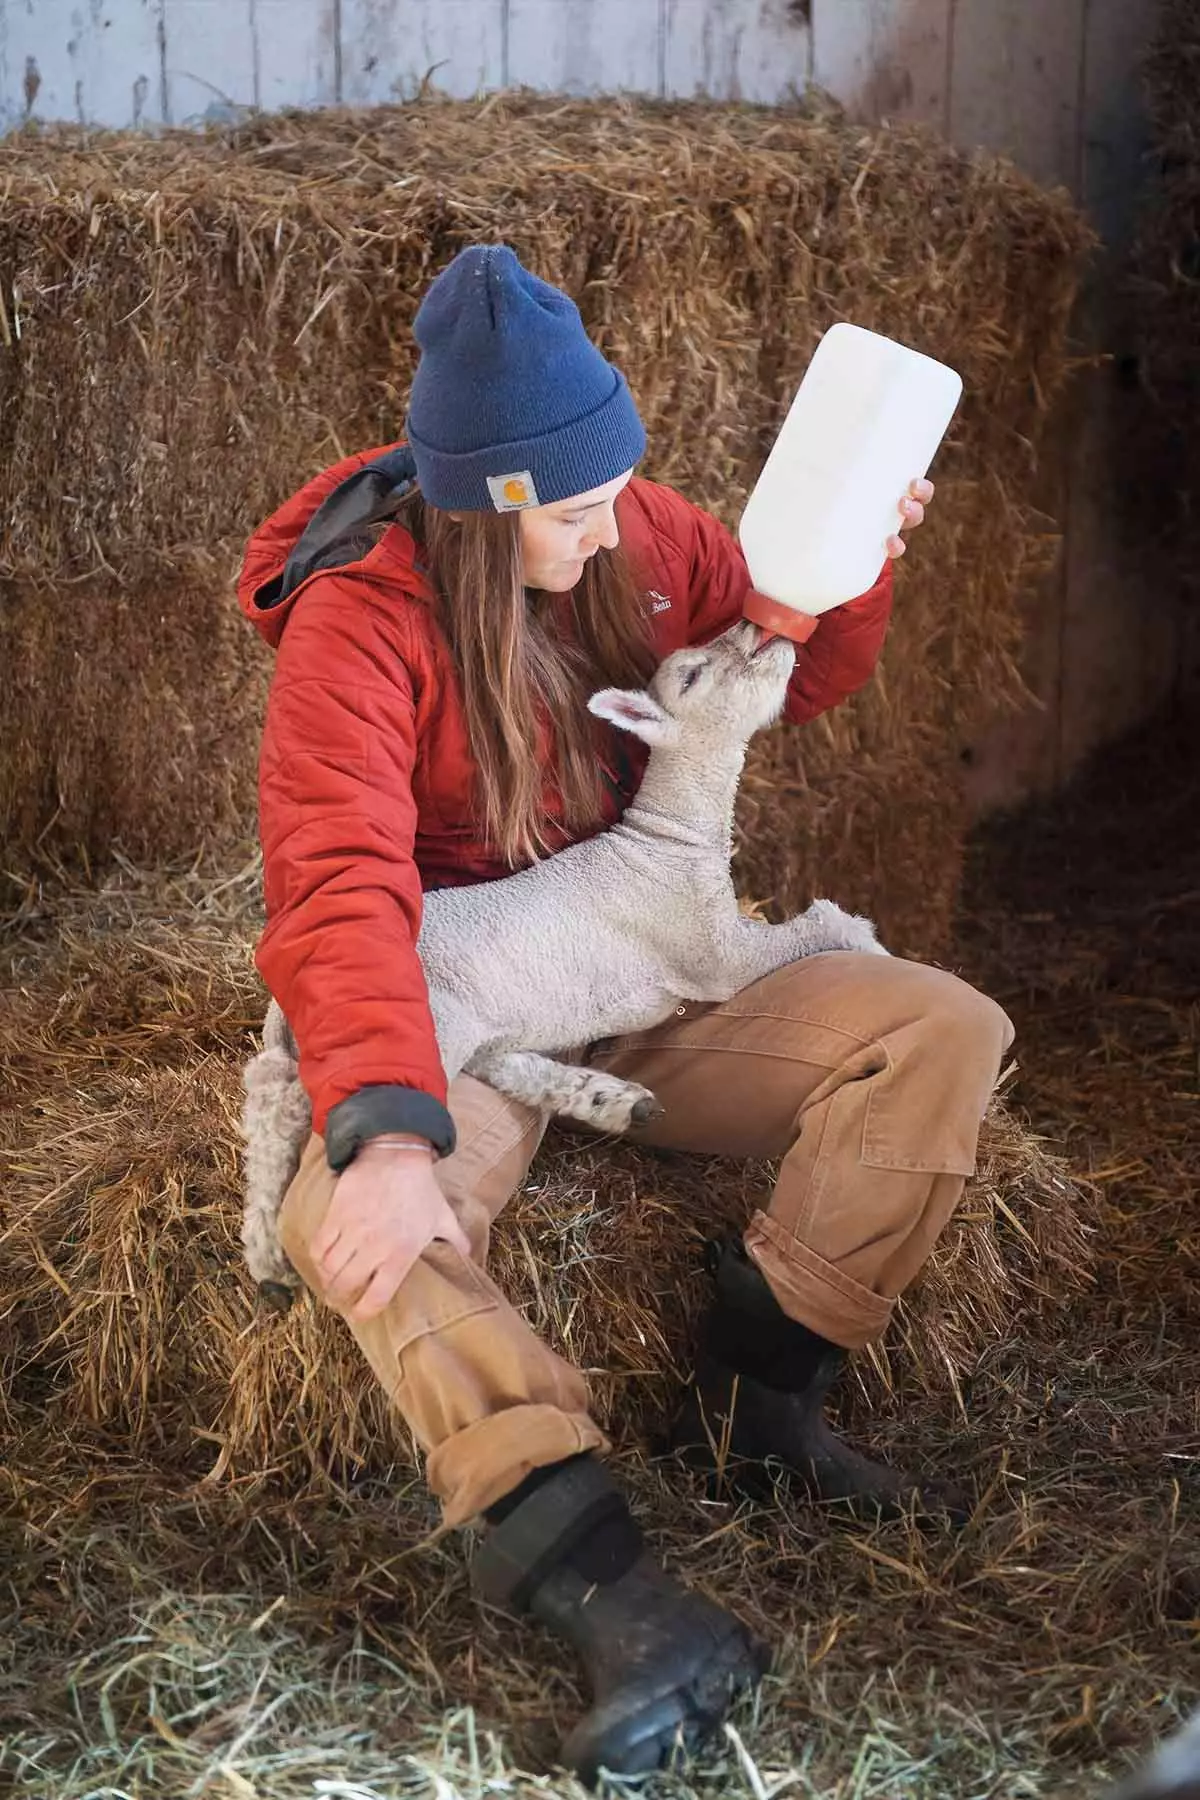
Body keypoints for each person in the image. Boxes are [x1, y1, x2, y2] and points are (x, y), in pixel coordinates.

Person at [236, 244, 1014, 1781]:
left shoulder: (635, 527)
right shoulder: (359, 629)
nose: (618, 529)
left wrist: (855, 564)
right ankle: (594, 1570)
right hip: (474, 983)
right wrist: (388, 1129)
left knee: (941, 1030)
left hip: (640, 964)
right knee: (371, 1210)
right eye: (575, 508)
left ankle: (764, 1384)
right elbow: (335, 885)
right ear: (494, 504)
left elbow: (787, 659)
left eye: (619, 491)